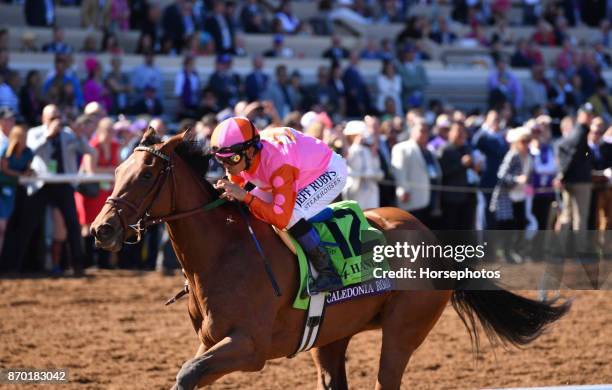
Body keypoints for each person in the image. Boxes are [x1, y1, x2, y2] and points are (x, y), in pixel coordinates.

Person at [211, 117, 346, 294]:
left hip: (329, 171)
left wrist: (245, 196)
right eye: (221, 160)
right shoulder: (246, 156)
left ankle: (328, 273)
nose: (227, 167)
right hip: (296, 170)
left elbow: (281, 218)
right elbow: (239, 189)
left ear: (250, 151)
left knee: (292, 215)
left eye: (233, 159)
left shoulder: (278, 163)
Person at [0, 125, 34, 254]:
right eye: (22, 137)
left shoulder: (28, 152)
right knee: (2, 227)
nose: (24, 140)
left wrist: (28, 172)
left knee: (4, 228)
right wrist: (21, 175)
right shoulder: (5, 150)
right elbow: (4, 169)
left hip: (11, 191)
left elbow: (28, 169)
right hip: (2, 189)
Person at [342, 120, 384, 209]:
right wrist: (356, 146)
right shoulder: (349, 150)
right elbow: (349, 165)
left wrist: (373, 174)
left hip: (371, 192)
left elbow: (379, 171)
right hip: (354, 190)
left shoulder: (369, 151)